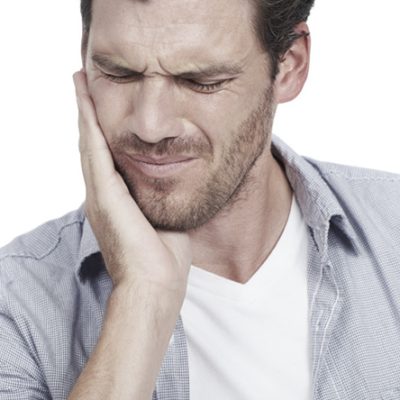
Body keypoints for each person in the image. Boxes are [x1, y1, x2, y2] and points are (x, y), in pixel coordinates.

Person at [1, 0, 400, 399]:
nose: (151, 125)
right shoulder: (16, 305)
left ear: (289, 66)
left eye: (201, 81)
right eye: (118, 73)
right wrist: (142, 297)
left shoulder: (391, 226)